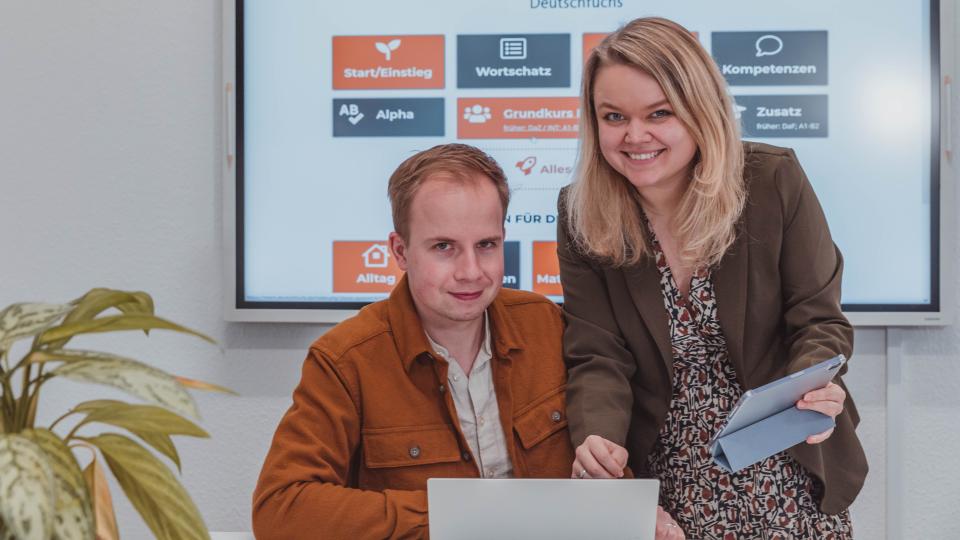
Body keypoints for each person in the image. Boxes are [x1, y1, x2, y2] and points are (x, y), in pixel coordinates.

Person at [558, 17, 868, 539]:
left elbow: (817, 319)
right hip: (666, 486)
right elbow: (597, 353)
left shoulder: (771, 180)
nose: (635, 136)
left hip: (783, 461)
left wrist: (819, 384)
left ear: (698, 111)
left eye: (659, 113)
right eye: (614, 116)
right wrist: (598, 440)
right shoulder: (580, 213)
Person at [252, 144, 574, 539]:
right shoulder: (344, 360)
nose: (470, 272)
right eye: (444, 247)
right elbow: (280, 508)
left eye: (486, 245)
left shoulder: (546, 324)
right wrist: (451, 516)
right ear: (400, 251)